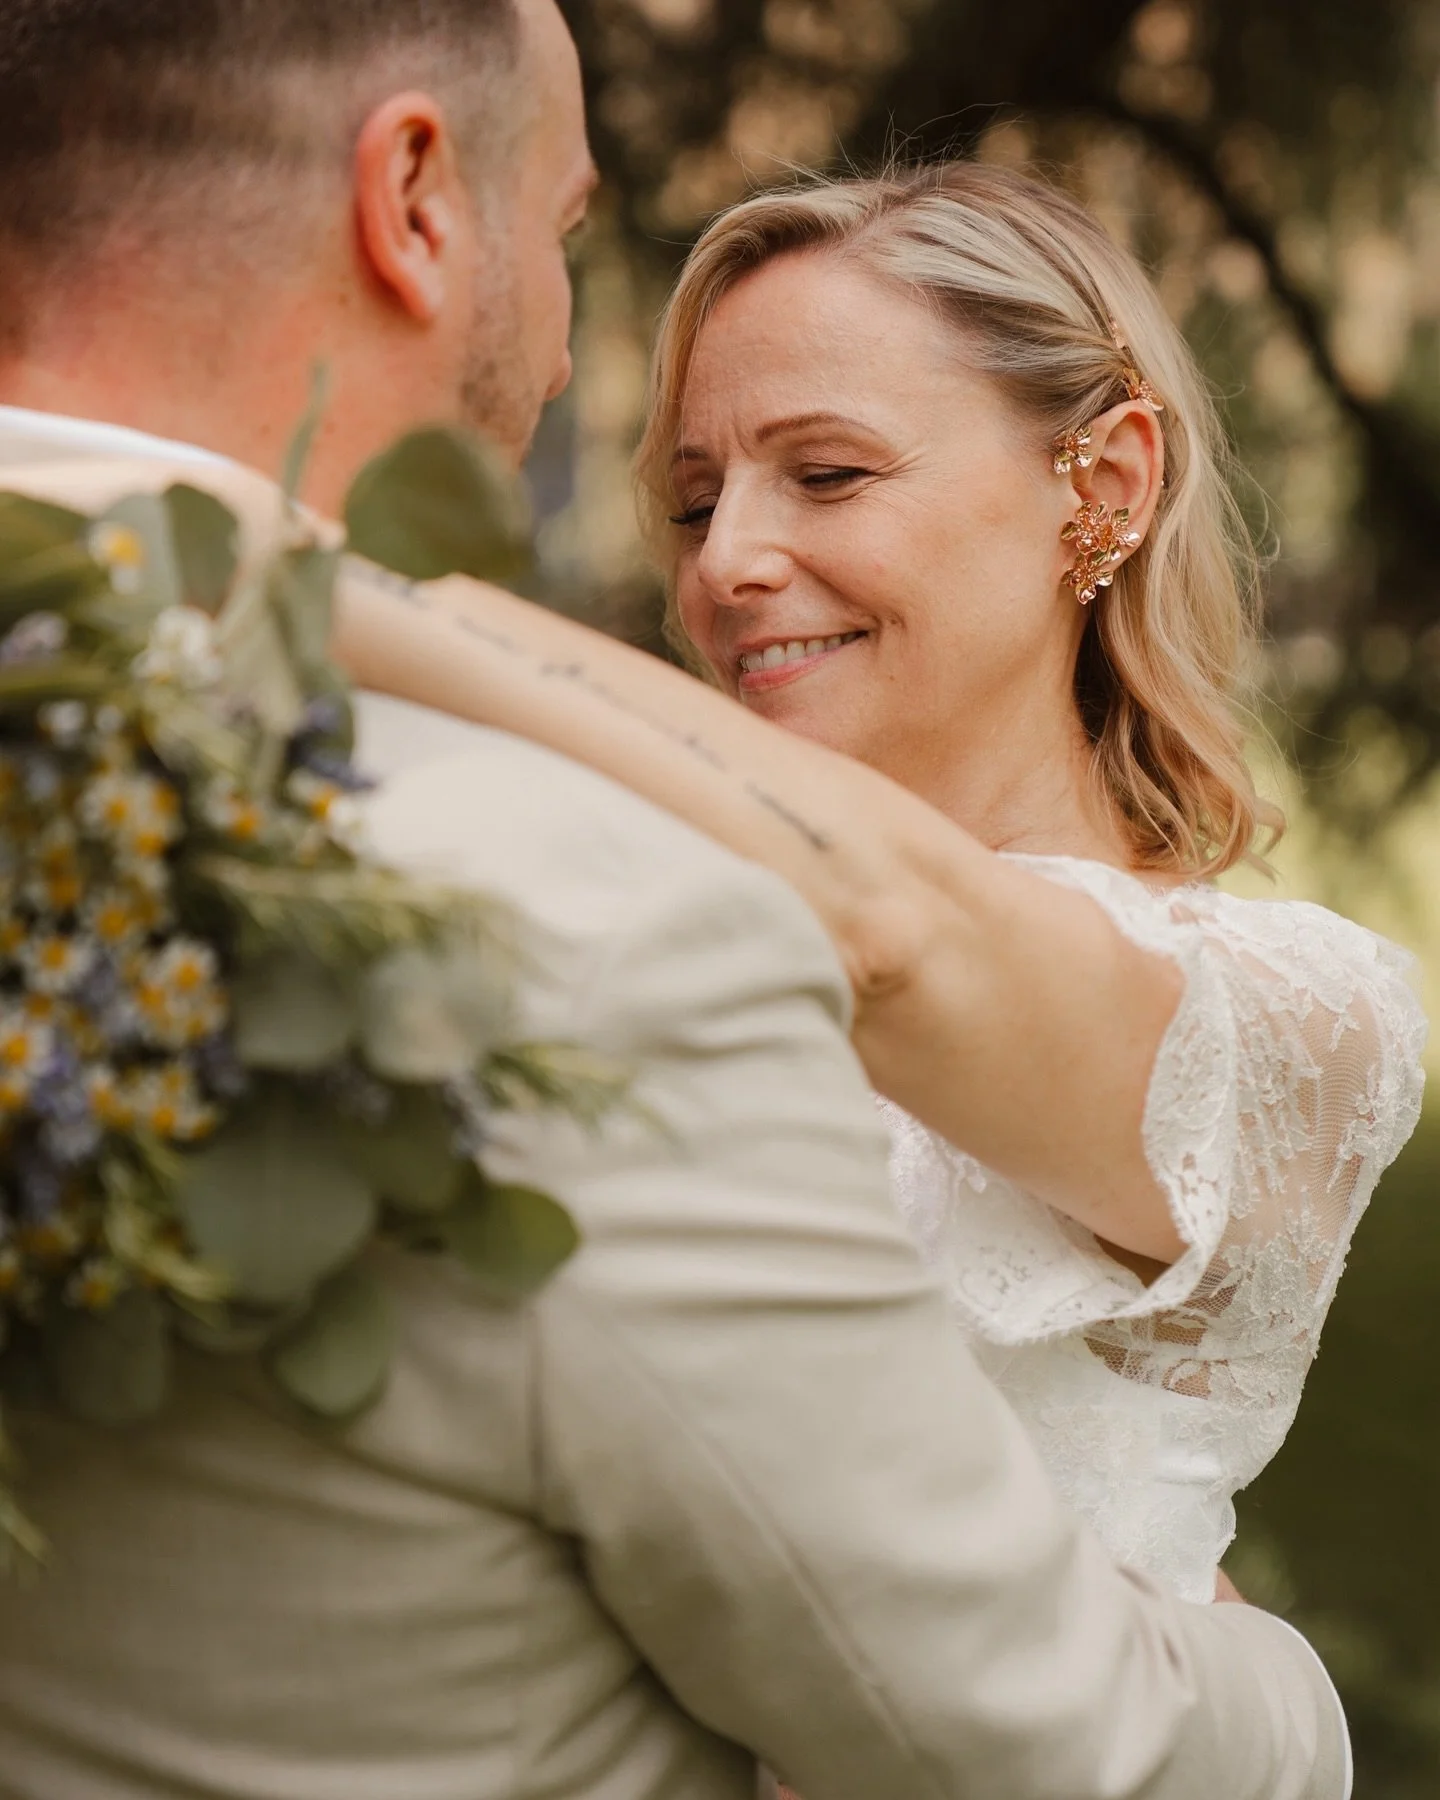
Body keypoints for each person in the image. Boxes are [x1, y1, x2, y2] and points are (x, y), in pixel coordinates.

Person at [0, 3, 1355, 1799]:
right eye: (695, 492)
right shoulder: (546, 908)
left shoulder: (1292, 1012)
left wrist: (254, 552)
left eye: (832, 472)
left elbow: (902, 935)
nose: (723, 563)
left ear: (1098, 486)